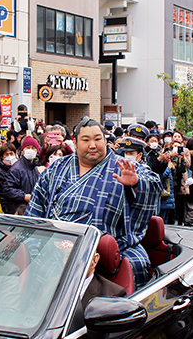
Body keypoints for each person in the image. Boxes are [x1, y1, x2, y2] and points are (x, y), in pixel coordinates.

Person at [25, 117, 162, 288]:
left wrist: (136, 183)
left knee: (138, 263)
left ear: (106, 141)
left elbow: (154, 183)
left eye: (98, 139)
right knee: (34, 268)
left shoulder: (122, 166)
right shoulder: (57, 168)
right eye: (86, 140)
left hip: (112, 249)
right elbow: (36, 208)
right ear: (74, 143)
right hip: (58, 249)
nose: (92, 145)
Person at [3, 136, 40, 213]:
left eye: (33, 148)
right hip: (18, 210)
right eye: (28, 148)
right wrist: (24, 196)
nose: (30, 150)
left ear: (37, 152)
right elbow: (8, 189)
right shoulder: (16, 169)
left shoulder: (34, 168)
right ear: (22, 151)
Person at [0, 143, 18, 214]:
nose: (9, 156)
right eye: (6, 154)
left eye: (11, 154)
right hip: (7, 205)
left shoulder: (20, 168)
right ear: (2, 156)